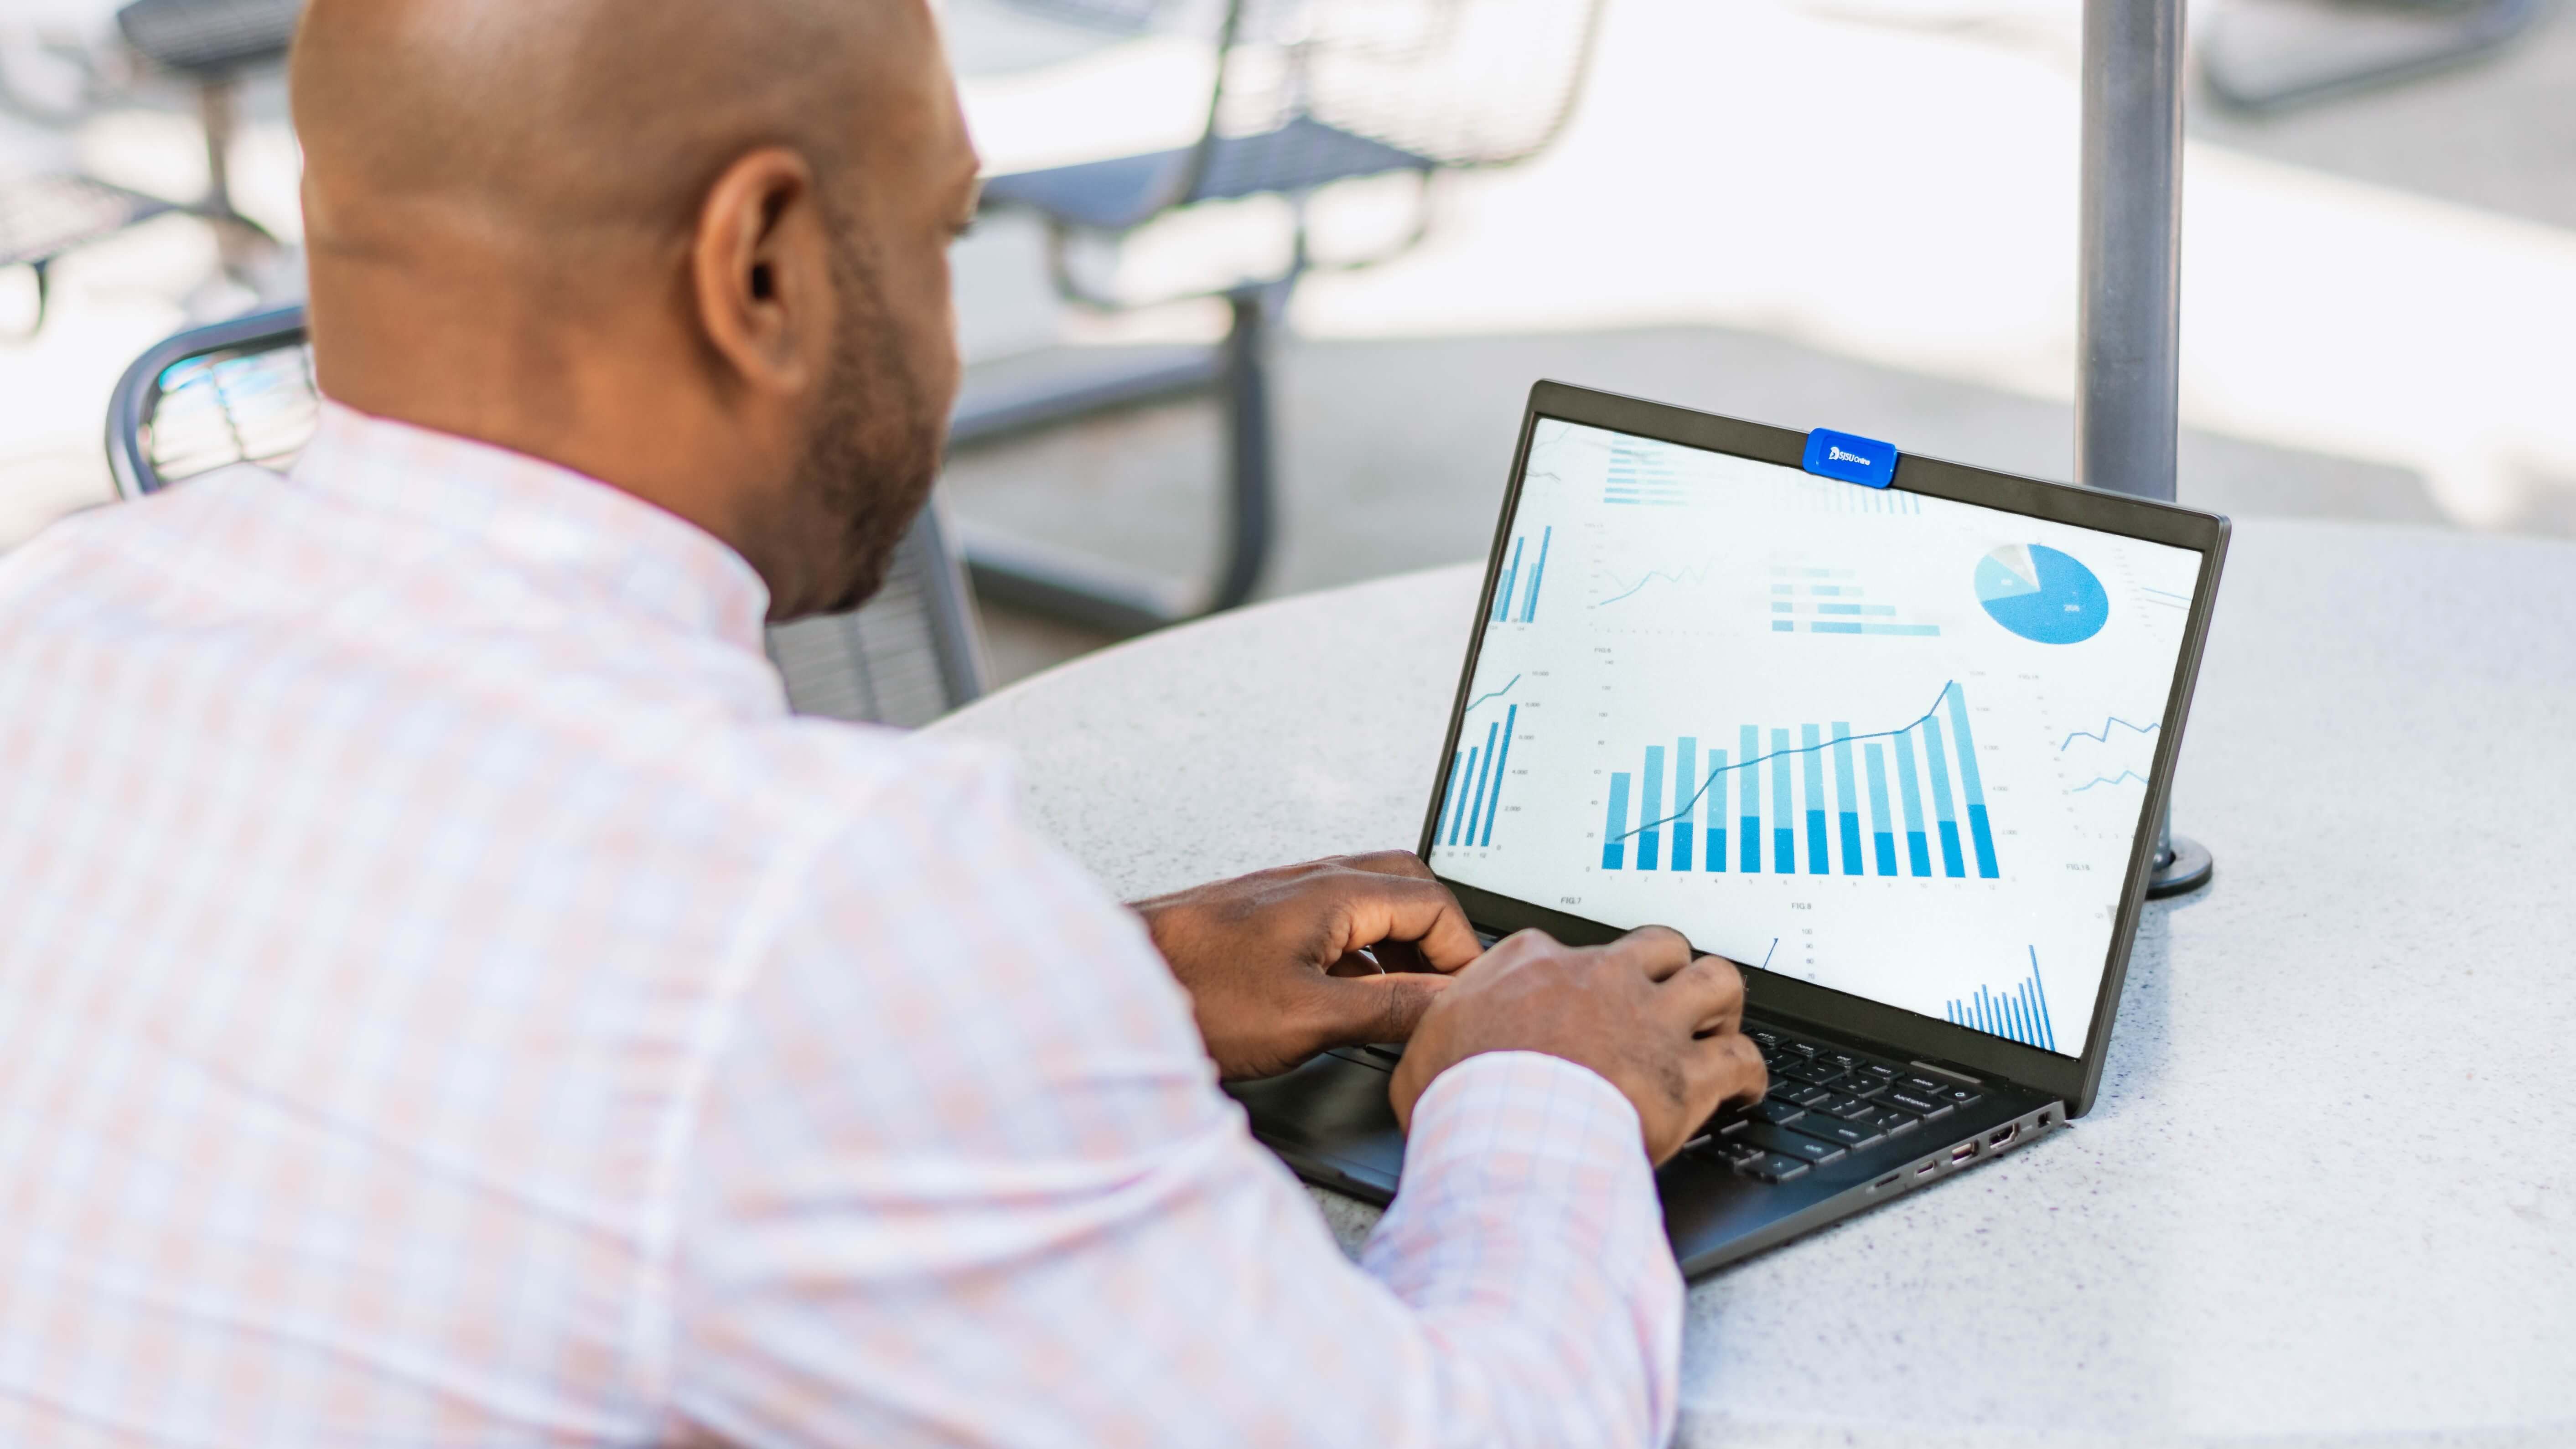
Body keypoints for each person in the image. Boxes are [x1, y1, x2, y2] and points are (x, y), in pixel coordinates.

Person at [0, 0, 1766, 1444]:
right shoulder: (807, 894)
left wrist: (1089, 984)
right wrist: (1544, 1086)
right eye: (938, 239)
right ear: (760, 263)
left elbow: (435, 1057)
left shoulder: (64, 622)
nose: (941, 338)